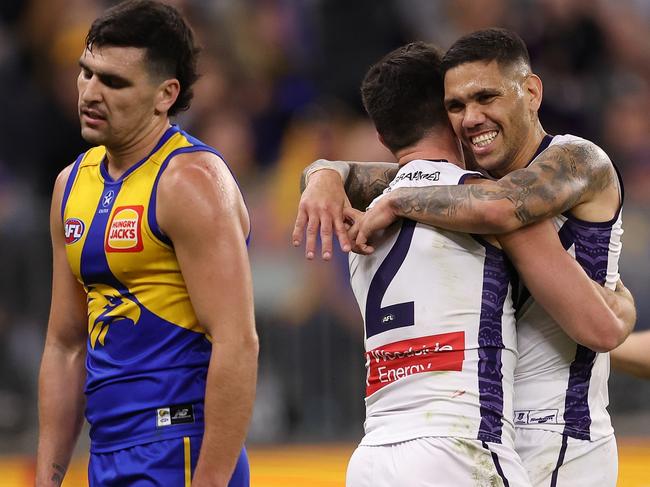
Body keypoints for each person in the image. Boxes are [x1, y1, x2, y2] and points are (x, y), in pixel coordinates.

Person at [293, 28, 635, 486]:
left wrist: (392, 201)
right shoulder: (462, 185)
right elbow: (365, 174)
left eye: (486, 97)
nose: (472, 117)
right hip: (486, 430)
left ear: (531, 92)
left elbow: (500, 206)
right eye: (456, 106)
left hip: (559, 437)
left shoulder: (576, 159)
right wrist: (323, 173)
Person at [35, 2, 258, 486]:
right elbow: (65, 344)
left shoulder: (191, 182)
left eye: (114, 82)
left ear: (165, 94)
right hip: (107, 451)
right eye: (86, 73)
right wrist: (46, 478)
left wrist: (210, 481)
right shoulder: (70, 185)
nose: (90, 93)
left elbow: (237, 342)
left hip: (178, 448)